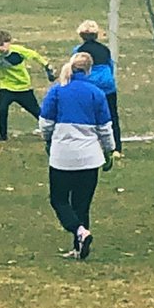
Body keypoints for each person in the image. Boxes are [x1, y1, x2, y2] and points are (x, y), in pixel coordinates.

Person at [38, 52, 114, 260]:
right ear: (89, 70)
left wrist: (48, 140)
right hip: (90, 158)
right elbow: (105, 128)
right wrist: (109, 150)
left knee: (59, 199)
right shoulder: (96, 93)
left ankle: (79, 232)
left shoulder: (57, 91)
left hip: (63, 157)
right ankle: (80, 245)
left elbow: (45, 123)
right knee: (82, 204)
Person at [0, 30, 54, 141]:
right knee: (1, 109)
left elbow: (35, 55)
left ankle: (51, 129)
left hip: (23, 88)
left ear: (9, 42)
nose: (0, 48)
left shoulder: (19, 51)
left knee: (36, 112)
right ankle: (2, 135)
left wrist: (47, 66)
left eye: (3, 44)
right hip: (6, 88)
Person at [72, 20, 121, 156]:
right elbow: (110, 66)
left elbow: (75, 68)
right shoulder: (105, 50)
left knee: (88, 115)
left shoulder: (78, 51)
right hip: (108, 86)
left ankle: (90, 144)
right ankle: (116, 148)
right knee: (112, 116)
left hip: (90, 86)